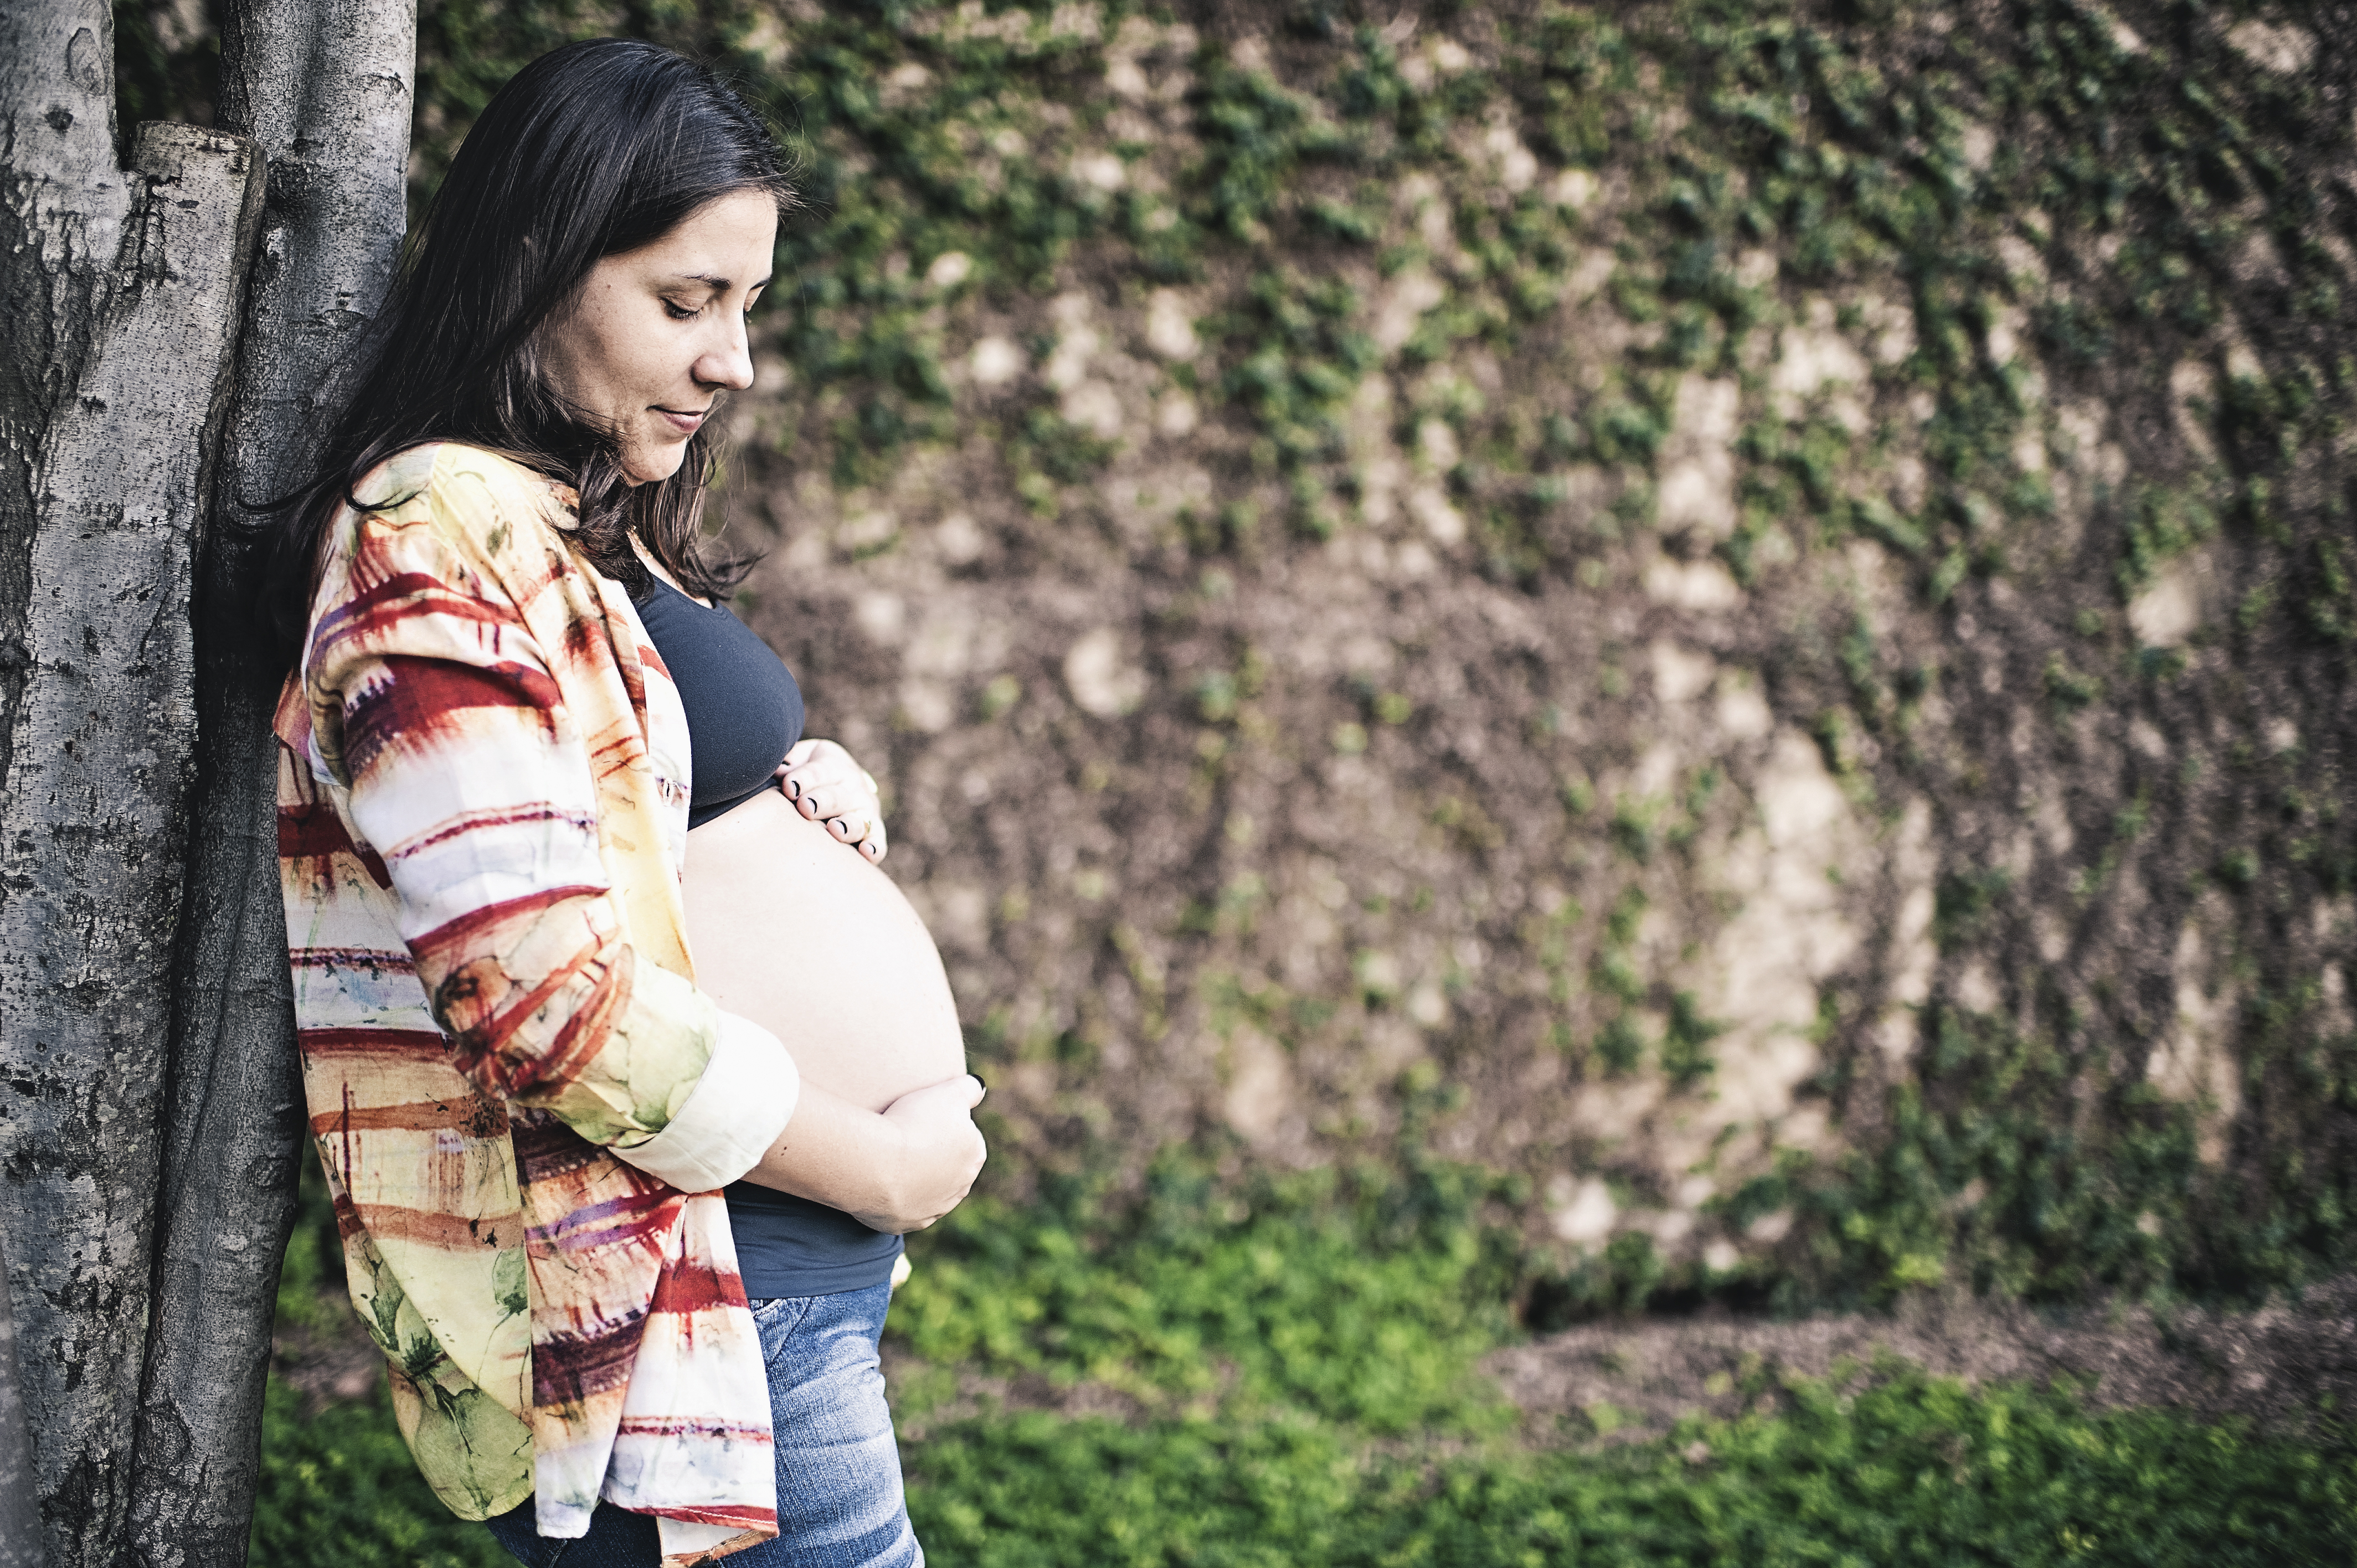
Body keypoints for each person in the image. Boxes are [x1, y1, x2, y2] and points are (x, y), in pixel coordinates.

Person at [264, 38, 975, 1567]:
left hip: (758, 1278)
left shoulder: (564, 511)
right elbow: (540, 998)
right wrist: (886, 1162)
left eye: (748, 307)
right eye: (685, 303)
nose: (736, 361)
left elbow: (617, 815)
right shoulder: (431, 531)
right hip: (671, 1283)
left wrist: (792, 793)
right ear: (537, 263)